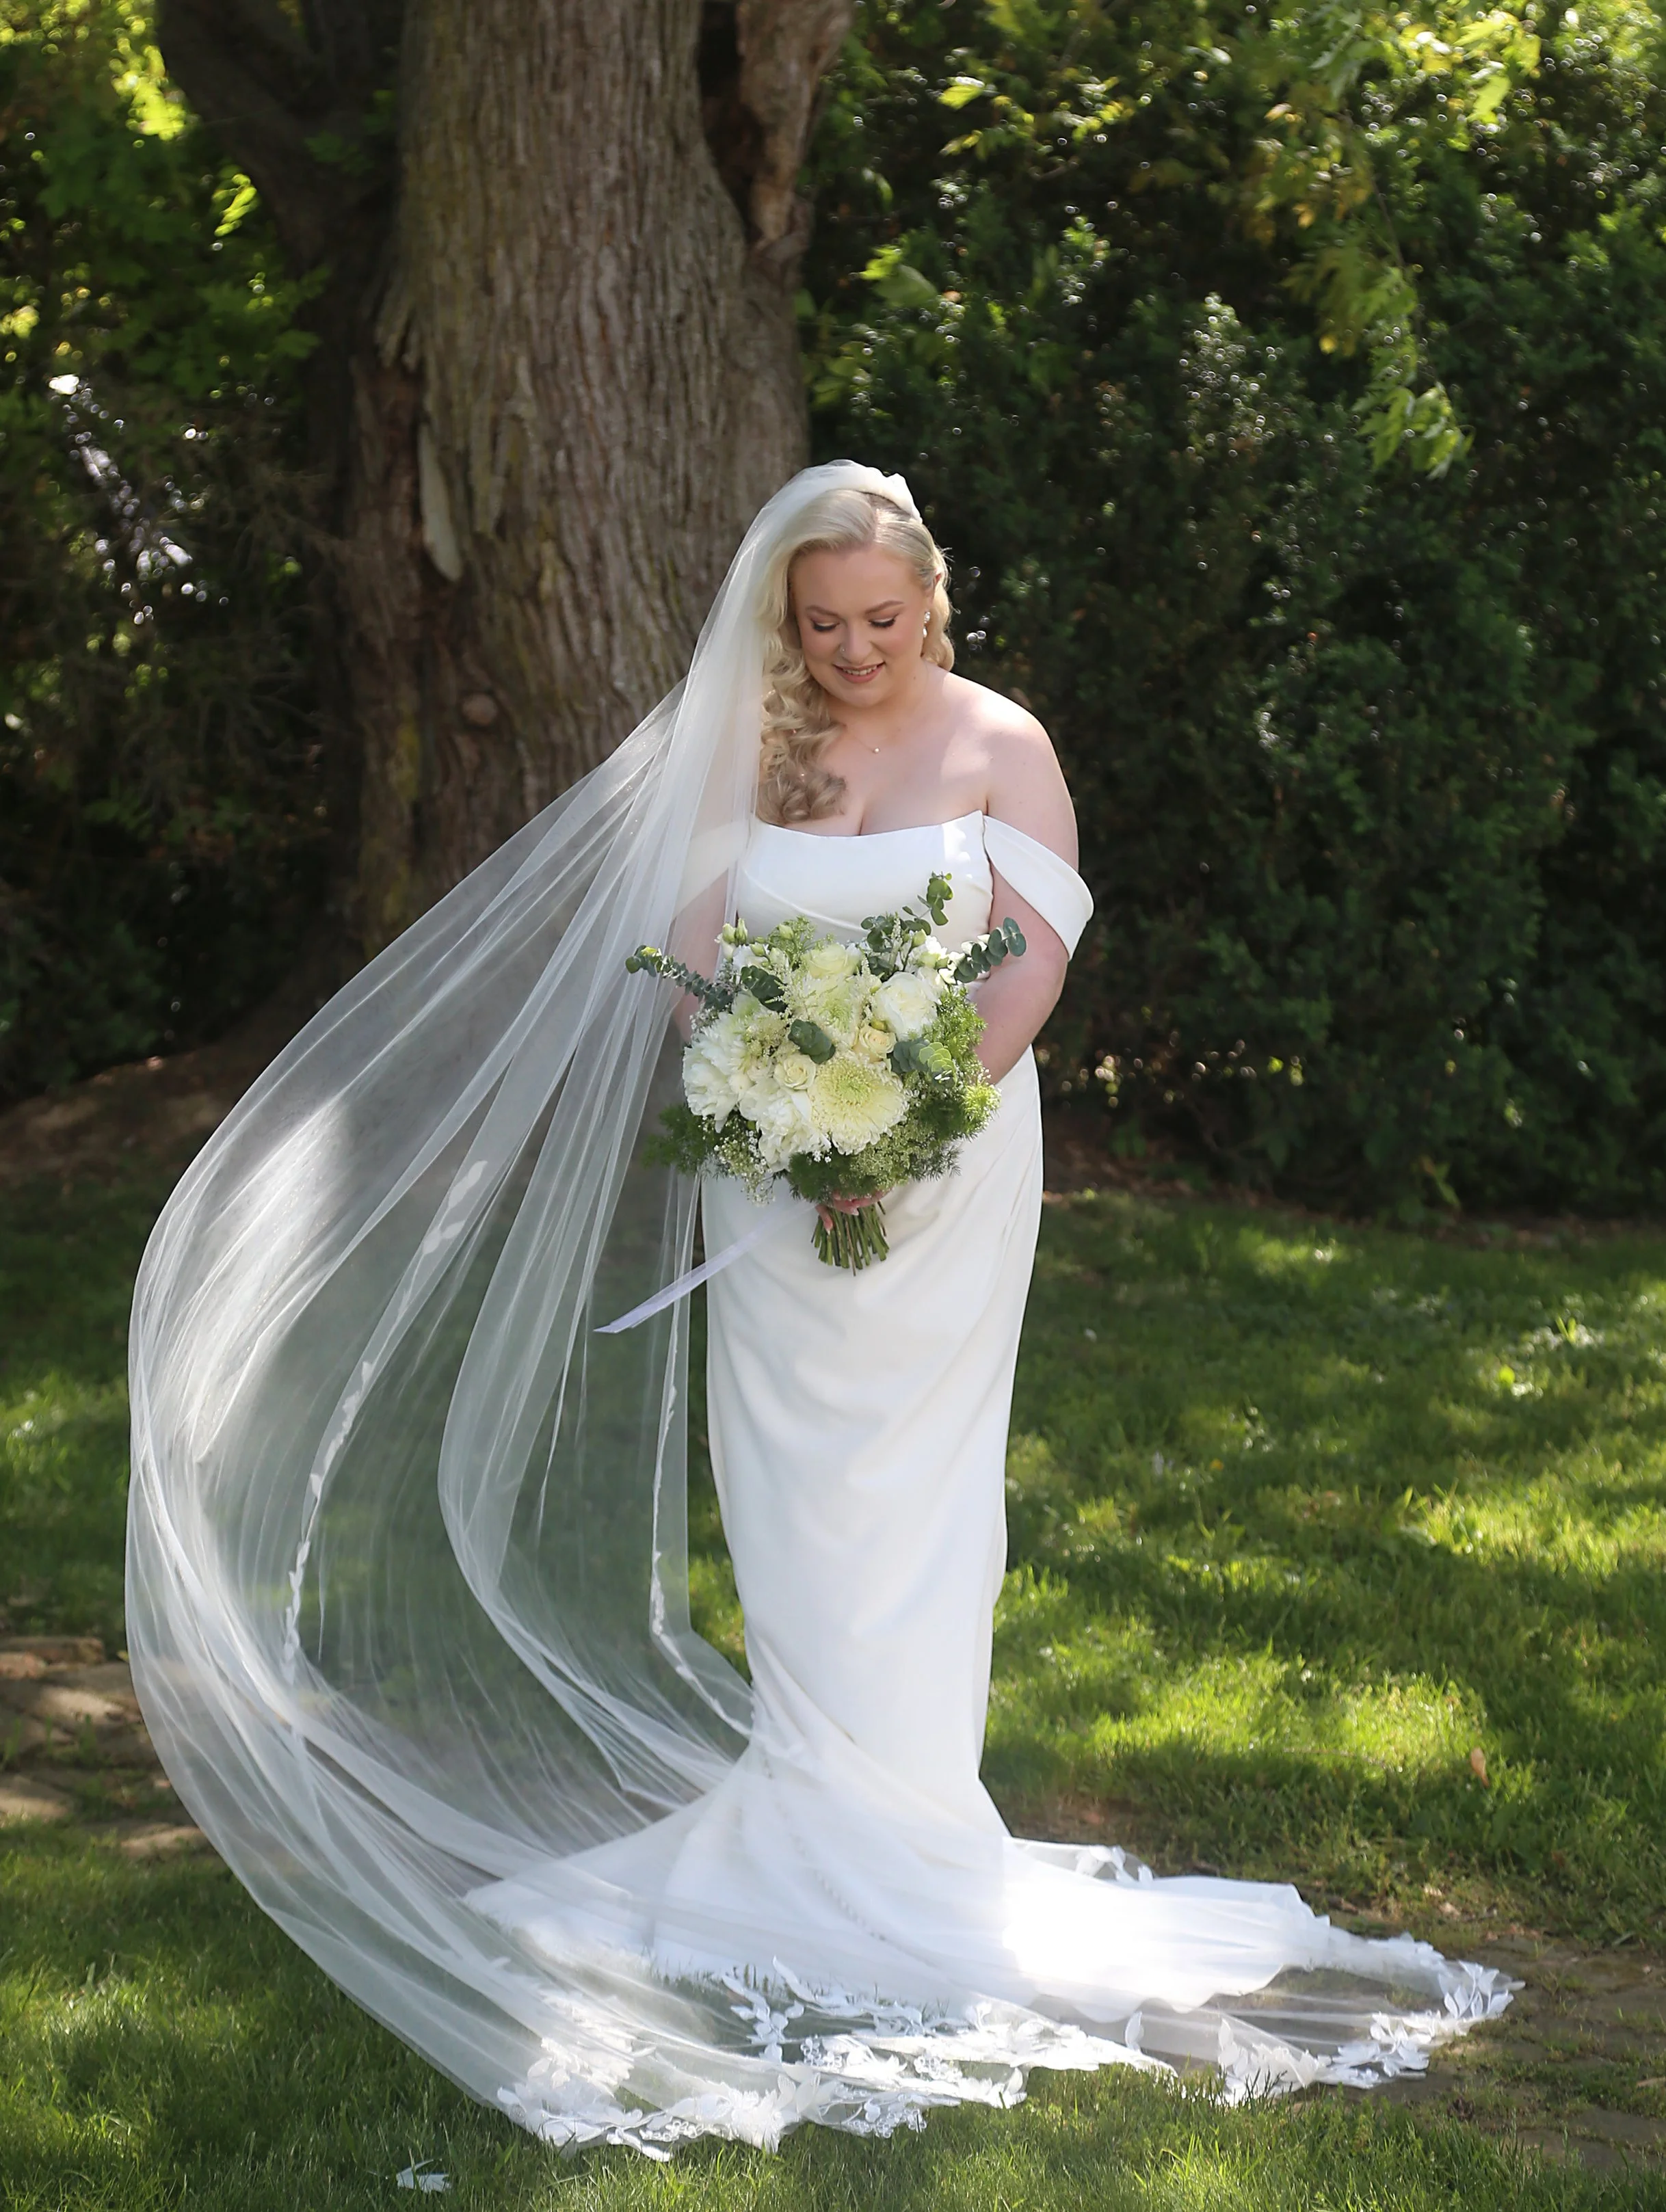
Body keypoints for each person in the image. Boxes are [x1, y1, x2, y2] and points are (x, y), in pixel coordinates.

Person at [127, 462, 1510, 2158]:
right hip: (768, 1169)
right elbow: (698, 949)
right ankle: (805, 1802)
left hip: (946, 1174)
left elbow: (1030, 958)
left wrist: (902, 1117)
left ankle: (913, 1829)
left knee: (918, 1494)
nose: (854, 651)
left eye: (882, 619)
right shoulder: (751, 749)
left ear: (930, 598)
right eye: (823, 625)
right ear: (785, 620)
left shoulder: (1003, 744)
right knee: (787, 1496)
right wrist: (779, 1105)